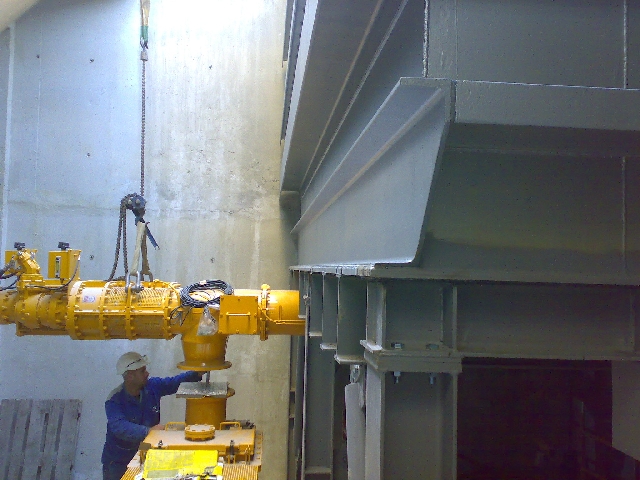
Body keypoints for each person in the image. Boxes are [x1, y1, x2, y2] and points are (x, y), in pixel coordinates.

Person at [101, 351, 202, 480]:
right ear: (130, 376)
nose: (147, 373)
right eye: (142, 371)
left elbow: (174, 382)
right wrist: (149, 431)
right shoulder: (114, 399)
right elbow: (119, 427)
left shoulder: (152, 386)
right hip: (118, 463)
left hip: (145, 455)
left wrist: (198, 372)